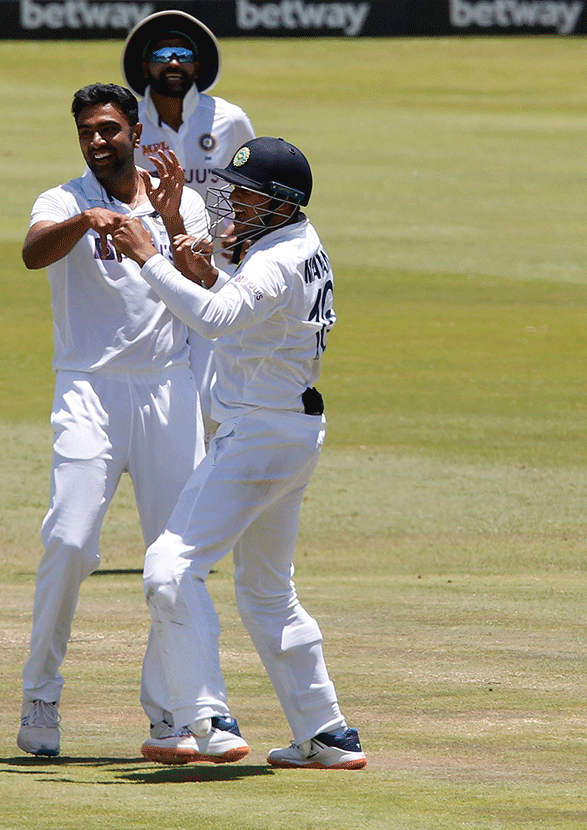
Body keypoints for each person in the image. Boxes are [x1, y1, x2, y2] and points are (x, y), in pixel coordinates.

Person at [107, 137, 366, 769]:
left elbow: (220, 319)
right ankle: (325, 732)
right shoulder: (296, 246)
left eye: (250, 194)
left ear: (283, 204)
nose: (236, 202)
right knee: (267, 589)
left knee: (170, 567)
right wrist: (194, 260)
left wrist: (150, 258)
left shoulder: (277, 259)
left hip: (257, 435)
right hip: (292, 432)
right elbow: (244, 306)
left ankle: (208, 717)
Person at [16, 83, 211, 758]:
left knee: (174, 555)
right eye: (87, 133)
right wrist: (86, 222)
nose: (97, 142)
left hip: (167, 388)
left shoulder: (176, 196)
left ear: (134, 129)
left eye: (108, 129)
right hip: (88, 388)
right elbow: (33, 251)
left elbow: (204, 284)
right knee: (69, 542)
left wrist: (173, 225)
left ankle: (170, 711)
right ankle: (40, 694)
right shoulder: (63, 199)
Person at [122, 10, 255, 439]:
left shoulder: (229, 119)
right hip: (153, 264)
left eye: (183, 54)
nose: (173, 63)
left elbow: (253, 182)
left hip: (218, 264)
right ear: (146, 67)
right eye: (162, 54)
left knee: (215, 382)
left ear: (197, 65)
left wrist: (242, 229)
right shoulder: (128, 124)